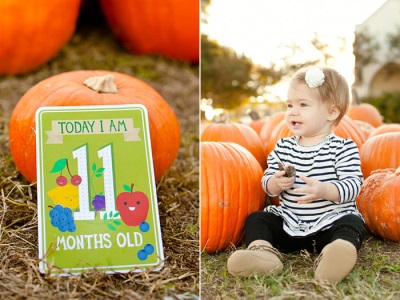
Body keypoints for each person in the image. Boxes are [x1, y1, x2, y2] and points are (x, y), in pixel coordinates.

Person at [227, 67, 366, 283]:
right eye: (289, 105)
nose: (293, 111)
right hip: (290, 224)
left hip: (329, 222)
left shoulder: (343, 147)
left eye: (303, 105)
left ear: (332, 112)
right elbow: (267, 183)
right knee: (257, 218)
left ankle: (337, 253)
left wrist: (325, 190)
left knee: (351, 222)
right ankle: (263, 253)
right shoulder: (283, 147)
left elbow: (354, 185)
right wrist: (276, 182)